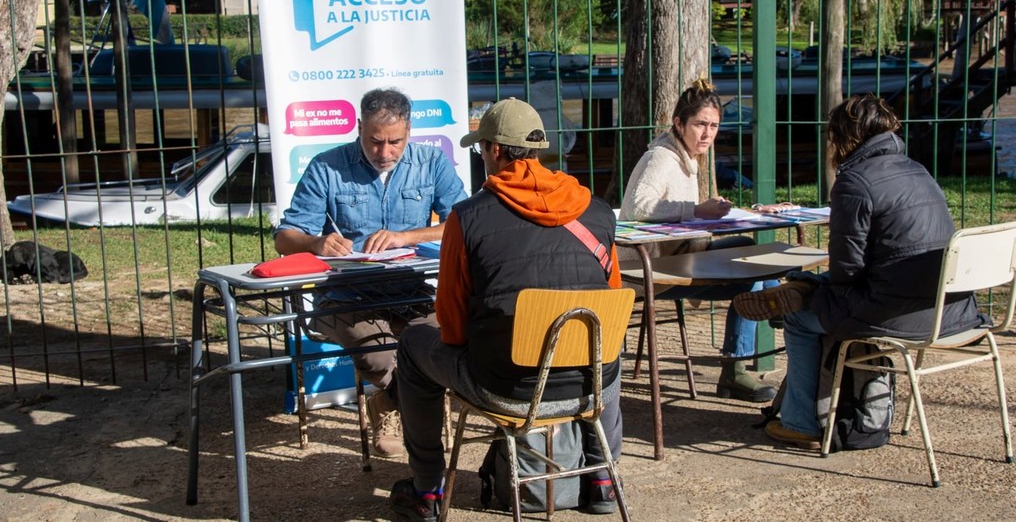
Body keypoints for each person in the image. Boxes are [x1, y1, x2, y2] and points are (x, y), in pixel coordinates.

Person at [388, 97, 625, 521]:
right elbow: (610, 302)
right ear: (537, 150)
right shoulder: (599, 211)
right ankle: (604, 479)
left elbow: (453, 324)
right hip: (586, 386)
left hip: (506, 387)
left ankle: (426, 490)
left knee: (412, 344)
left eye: (480, 149)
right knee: (605, 348)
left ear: (495, 151)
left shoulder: (467, 217)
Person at [732, 94, 989, 448]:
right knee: (824, 296)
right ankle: (804, 289)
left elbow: (846, 270)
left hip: (893, 314)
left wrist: (825, 283)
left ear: (843, 137)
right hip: (951, 311)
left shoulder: (854, 182)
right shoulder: (918, 169)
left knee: (801, 319)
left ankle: (801, 423)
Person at [274, 87, 467, 458]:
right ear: (359, 127)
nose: (385, 152)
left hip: (410, 292)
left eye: (395, 142)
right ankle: (405, 422)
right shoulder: (327, 166)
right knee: (378, 358)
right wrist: (317, 243)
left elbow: (462, 222)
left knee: (440, 351)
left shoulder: (432, 162)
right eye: (375, 141)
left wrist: (407, 236)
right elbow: (285, 238)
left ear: (410, 131)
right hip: (345, 295)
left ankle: (388, 406)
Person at [619, 77, 777, 403]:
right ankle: (752, 347)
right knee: (751, 265)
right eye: (699, 125)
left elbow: (691, 214)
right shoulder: (661, 157)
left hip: (683, 257)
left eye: (714, 126)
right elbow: (637, 206)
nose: (707, 134)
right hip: (656, 269)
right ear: (679, 123)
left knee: (753, 258)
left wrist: (754, 211)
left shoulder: (687, 157)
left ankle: (772, 315)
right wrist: (694, 209)